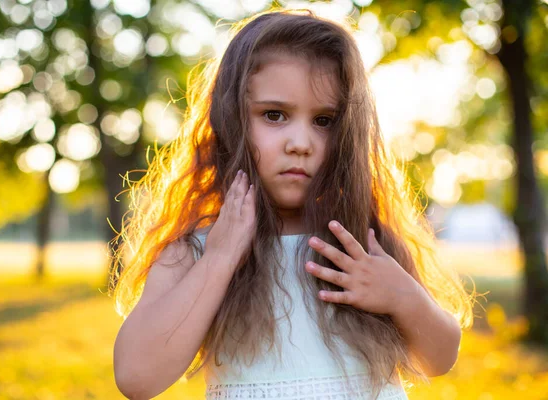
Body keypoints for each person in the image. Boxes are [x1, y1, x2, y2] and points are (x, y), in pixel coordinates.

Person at [110, 9, 474, 400]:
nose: (300, 142)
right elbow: (136, 377)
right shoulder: (196, 251)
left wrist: (402, 297)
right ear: (231, 121)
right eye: (274, 115)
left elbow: (440, 358)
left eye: (325, 121)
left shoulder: (363, 245)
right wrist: (219, 258)